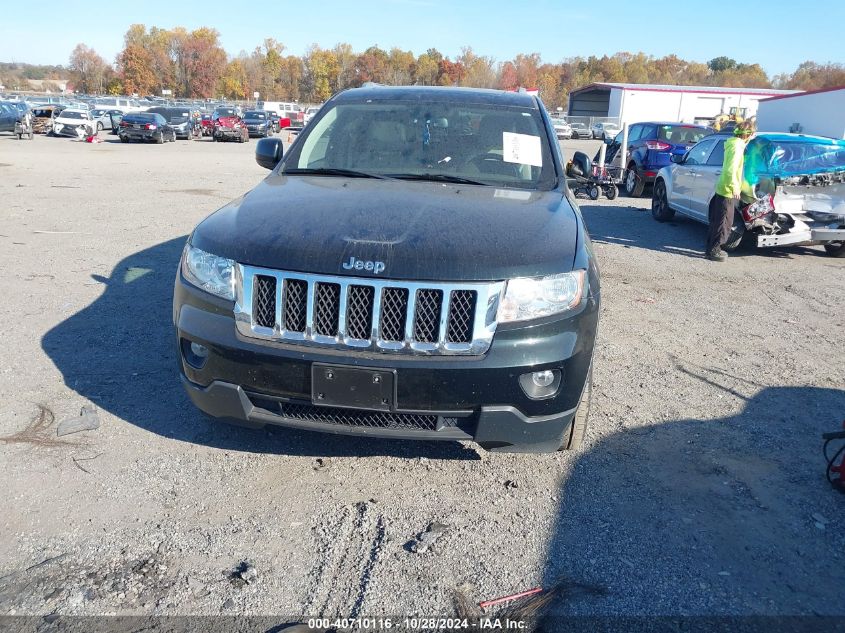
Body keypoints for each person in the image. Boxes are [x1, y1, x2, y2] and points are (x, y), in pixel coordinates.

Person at [706, 120, 755, 262]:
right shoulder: (736, 147)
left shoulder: (734, 144)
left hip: (723, 187)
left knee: (718, 219)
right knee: (724, 222)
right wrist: (734, 186)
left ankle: (710, 248)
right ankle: (715, 250)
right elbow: (730, 169)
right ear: (749, 134)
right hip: (728, 189)